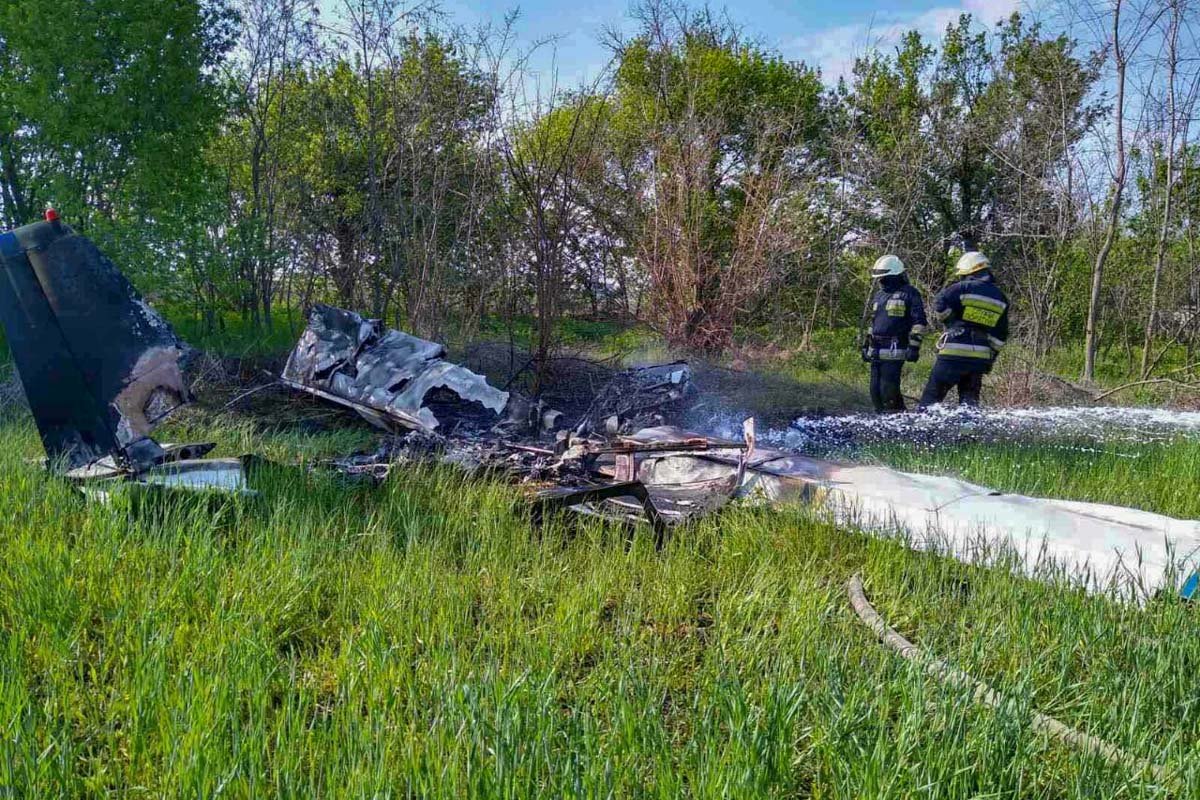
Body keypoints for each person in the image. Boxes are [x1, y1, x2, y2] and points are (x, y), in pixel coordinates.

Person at [918, 250, 1009, 409]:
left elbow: (939, 304)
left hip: (953, 353)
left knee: (930, 402)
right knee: (969, 407)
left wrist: (952, 324)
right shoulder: (1000, 297)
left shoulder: (961, 287)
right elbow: (1000, 335)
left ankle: (925, 433)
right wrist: (990, 359)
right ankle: (968, 434)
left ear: (969, 272)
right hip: (979, 357)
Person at [861, 254, 927, 413]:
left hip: (895, 349)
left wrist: (914, 347)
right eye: (879, 278)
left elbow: (919, 322)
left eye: (884, 277)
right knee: (875, 392)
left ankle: (898, 423)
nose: (881, 281)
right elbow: (874, 323)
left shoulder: (910, 293)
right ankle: (885, 422)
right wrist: (865, 345)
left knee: (888, 392)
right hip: (876, 350)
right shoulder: (879, 295)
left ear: (895, 275)